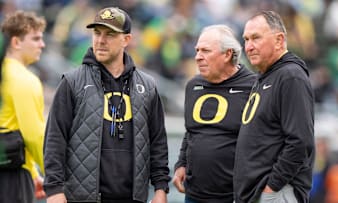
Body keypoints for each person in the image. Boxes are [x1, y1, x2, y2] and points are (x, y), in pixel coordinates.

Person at [43, 7, 170, 203]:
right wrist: (54, 190)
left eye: (110, 34)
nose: (101, 40)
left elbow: (157, 143)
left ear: (126, 40)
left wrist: (161, 189)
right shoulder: (72, 82)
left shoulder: (147, 86)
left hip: (132, 198)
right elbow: (54, 140)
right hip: (82, 198)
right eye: (97, 33)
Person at [233, 10, 315, 203]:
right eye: (245, 39)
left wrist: (271, 189)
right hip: (256, 195)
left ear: (279, 40)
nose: (249, 46)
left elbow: (300, 142)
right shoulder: (266, 77)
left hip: (275, 194)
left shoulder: (290, 76)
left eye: (256, 38)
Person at [173, 24, 256, 203]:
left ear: (227, 54)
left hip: (235, 195)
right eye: (197, 50)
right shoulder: (193, 85)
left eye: (205, 51)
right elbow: (192, 132)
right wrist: (181, 164)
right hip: (194, 194)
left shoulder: (253, 87)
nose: (197, 57)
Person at [0, 10, 46, 202]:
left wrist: (35, 175)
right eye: (35, 39)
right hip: (12, 177)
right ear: (16, 42)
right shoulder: (25, 80)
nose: (42, 44)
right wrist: (57, 178)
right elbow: (34, 136)